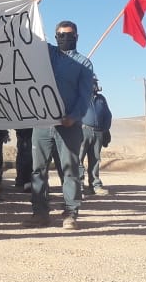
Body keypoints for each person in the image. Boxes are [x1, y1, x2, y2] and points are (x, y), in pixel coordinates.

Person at [23, 20, 94, 230]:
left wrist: (73, 116)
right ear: (55, 37)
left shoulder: (84, 64)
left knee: (70, 170)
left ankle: (71, 213)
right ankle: (39, 213)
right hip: (42, 122)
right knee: (38, 170)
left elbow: (84, 96)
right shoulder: (48, 55)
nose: (65, 38)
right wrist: (31, 7)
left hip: (69, 125)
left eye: (69, 35)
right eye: (61, 35)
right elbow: (30, 37)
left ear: (77, 36)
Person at [80, 78, 113, 196]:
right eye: (93, 82)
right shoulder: (80, 96)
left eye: (95, 83)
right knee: (79, 159)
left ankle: (95, 185)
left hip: (98, 132)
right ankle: (79, 186)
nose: (95, 85)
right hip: (83, 131)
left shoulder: (101, 99)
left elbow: (108, 115)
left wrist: (105, 130)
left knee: (95, 159)